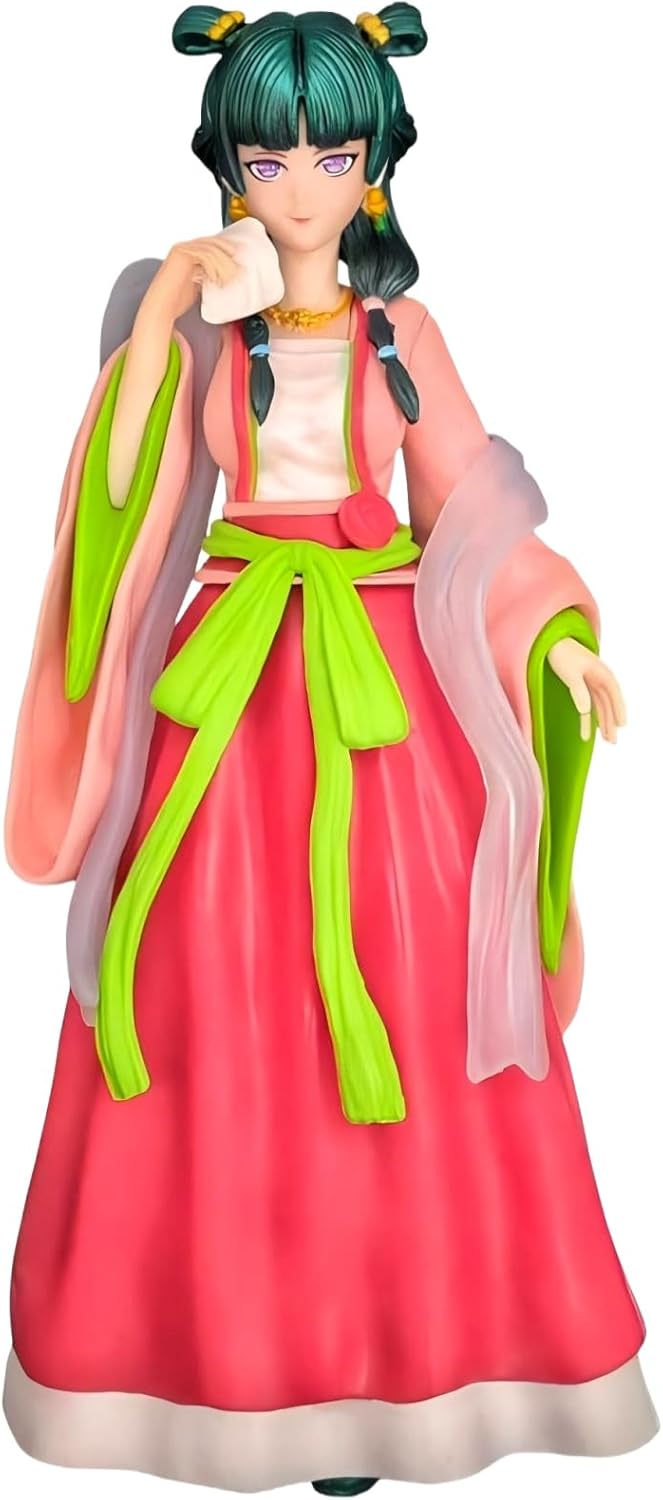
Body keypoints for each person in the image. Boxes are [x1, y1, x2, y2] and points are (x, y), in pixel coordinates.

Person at [2, 5, 659, 1493]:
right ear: (230, 166)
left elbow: (472, 507)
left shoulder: (405, 338)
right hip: (229, 696)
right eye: (268, 157)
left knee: (410, 970)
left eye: (331, 153)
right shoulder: (203, 340)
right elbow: (117, 494)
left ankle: (402, 1365)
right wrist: (166, 307)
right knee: (207, 986)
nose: (299, 184)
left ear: (375, 167)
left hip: (383, 694)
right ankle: (223, 1364)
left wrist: (554, 637)